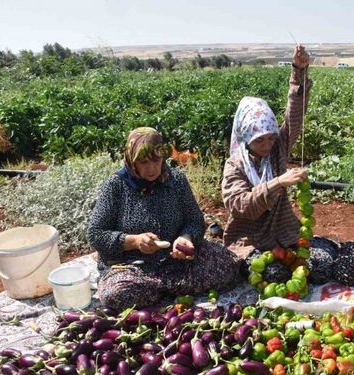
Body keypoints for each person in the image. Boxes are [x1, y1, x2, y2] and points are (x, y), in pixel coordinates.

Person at [88, 127, 240, 310]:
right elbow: (96, 234)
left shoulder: (175, 179)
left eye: (156, 160)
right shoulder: (116, 186)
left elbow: (195, 219)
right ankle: (171, 288)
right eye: (143, 162)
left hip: (176, 262)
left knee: (227, 266)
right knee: (117, 294)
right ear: (131, 160)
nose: (151, 169)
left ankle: (159, 291)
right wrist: (134, 241)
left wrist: (186, 237)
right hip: (133, 267)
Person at [221, 45, 312, 259]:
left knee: (319, 263)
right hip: (249, 242)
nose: (267, 145)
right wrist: (279, 182)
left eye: (271, 138)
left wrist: (298, 71)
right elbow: (242, 205)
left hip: (285, 234)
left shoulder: (276, 149)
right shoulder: (235, 165)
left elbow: (295, 117)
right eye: (259, 140)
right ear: (246, 138)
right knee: (273, 272)